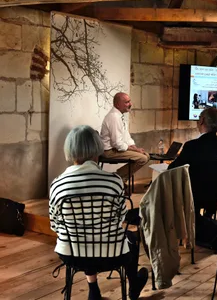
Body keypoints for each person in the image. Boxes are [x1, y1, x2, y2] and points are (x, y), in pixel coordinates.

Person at [49, 125, 148, 300]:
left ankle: (93, 289)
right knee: (130, 238)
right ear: (97, 148)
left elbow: (55, 225)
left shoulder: (58, 185)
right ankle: (133, 286)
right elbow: (120, 218)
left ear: (69, 149)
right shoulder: (114, 182)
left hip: (72, 255)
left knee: (85, 237)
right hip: (111, 255)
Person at [100, 92, 149, 183]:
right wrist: (135, 151)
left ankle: (120, 179)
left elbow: (126, 137)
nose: (130, 104)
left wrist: (135, 147)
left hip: (115, 149)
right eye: (127, 102)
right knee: (143, 158)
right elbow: (117, 144)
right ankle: (117, 178)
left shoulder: (119, 116)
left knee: (146, 155)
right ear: (118, 104)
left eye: (129, 101)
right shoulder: (114, 117)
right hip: (109, 152)